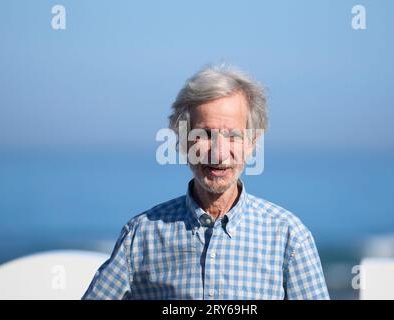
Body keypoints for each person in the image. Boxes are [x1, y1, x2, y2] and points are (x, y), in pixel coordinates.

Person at [82, 64, 329, 300]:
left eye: (233, 136)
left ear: (252, 145)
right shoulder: (140, 236)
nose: (219, 153)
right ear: (182, 142)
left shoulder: (288, 237)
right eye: (204, 135)